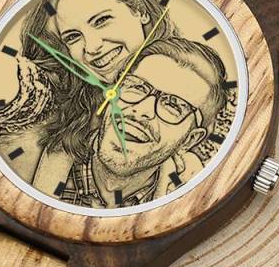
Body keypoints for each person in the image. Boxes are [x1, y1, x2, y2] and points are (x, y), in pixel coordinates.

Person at [0, 0, 176, 183]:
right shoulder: (75, 113)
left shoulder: (191, 81)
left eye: (101, 21)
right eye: (73, 37)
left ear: (140, 11)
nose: (92, 47)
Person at [61, 37, 228, 208]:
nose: (141, 111)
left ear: (189, 140)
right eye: (137, 87)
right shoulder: (51, 158)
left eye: (173, 106)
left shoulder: (181, 201)